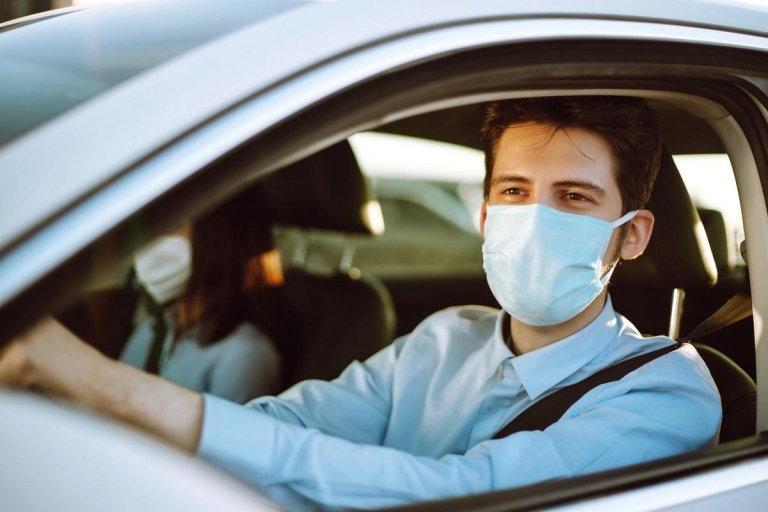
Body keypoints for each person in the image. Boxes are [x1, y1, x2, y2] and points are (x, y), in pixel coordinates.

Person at [0, 97, 721, 510]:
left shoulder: (667, 392)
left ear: (632, 235)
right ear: (484, 217)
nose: (534, 218)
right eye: (514, 191)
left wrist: (101, 382)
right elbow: (293, 423)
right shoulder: (444, 338)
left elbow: (462, 494)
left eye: (573, 197)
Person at [120, 190, 284, 403]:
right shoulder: (149, 332)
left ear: (217, 242)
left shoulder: (245, 356)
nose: (157, 242)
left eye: (174, 226)